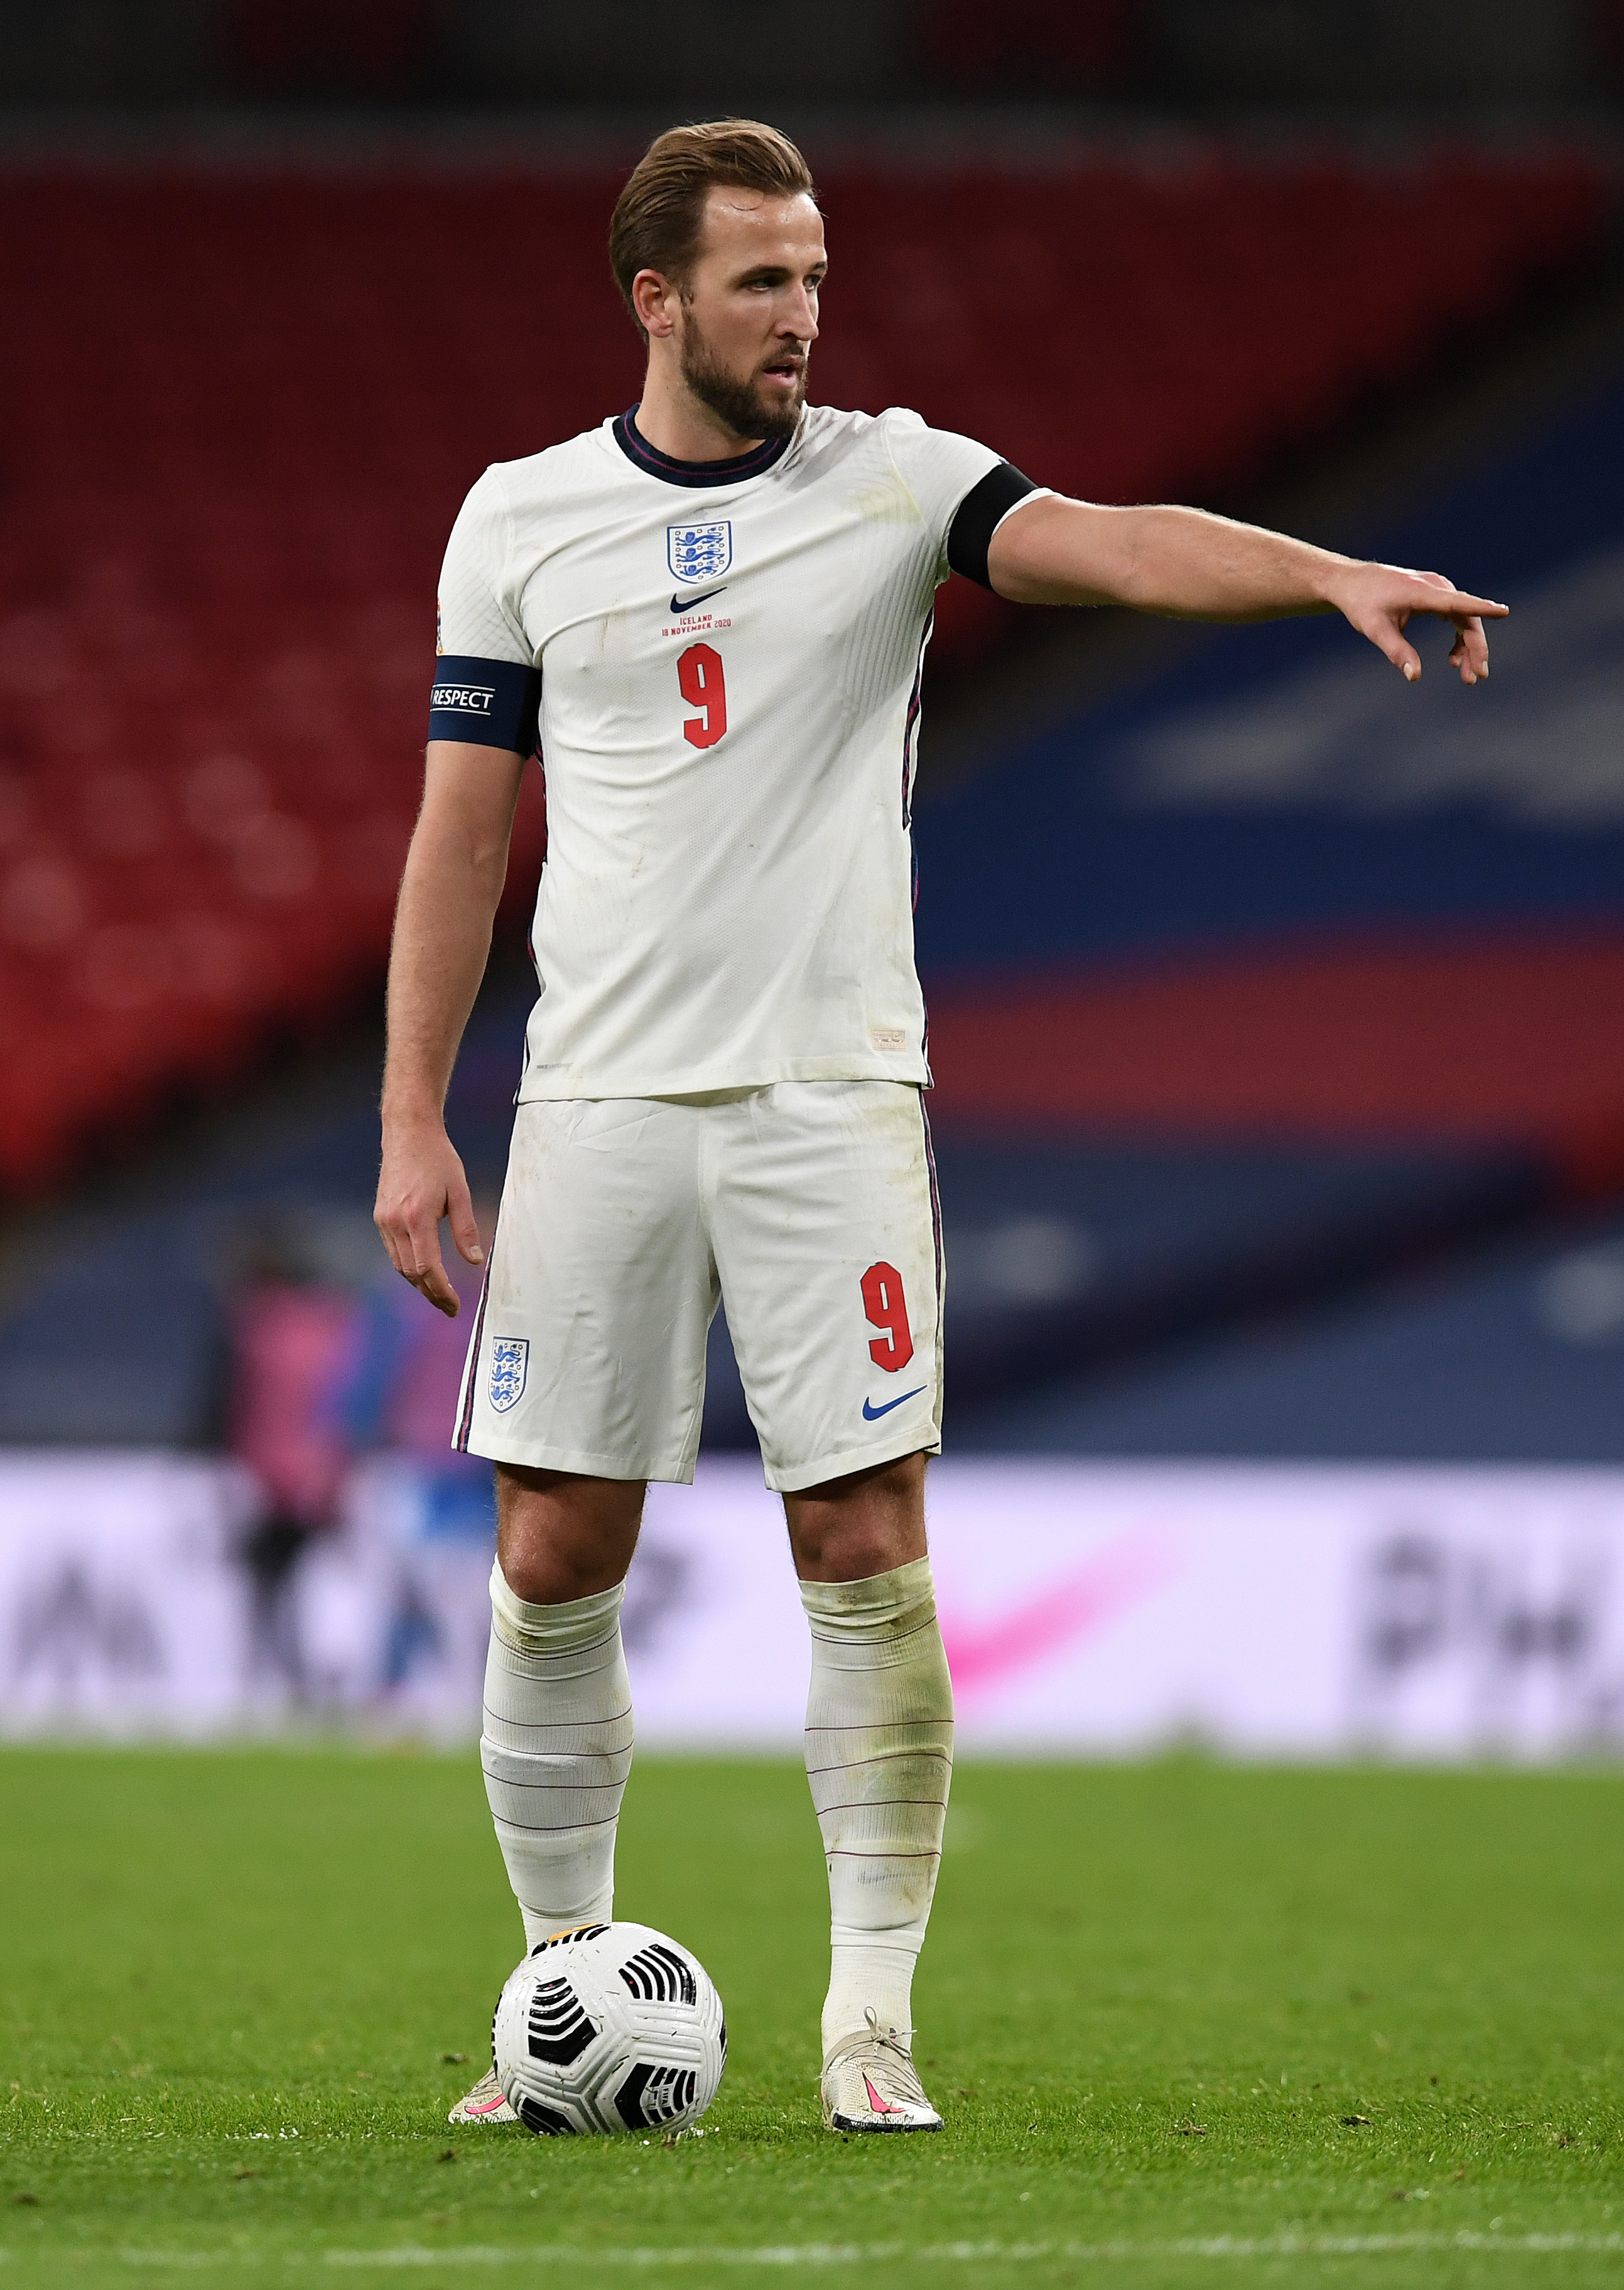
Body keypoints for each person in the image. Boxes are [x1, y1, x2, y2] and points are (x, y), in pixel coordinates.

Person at [372, 119, 1505, 2134]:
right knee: (554, 1549)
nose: (803, 312)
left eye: (814, 275)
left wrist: (1321, 570)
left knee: (863, 1540)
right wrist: (410, 1118)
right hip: (600, 1101)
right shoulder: (517, 519)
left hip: (829, 1101)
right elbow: (462, 837)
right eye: (760, 281)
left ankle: (865, 2025)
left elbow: (1118, 537)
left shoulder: (892, 482)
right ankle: (555, 1996)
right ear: (656, 300)